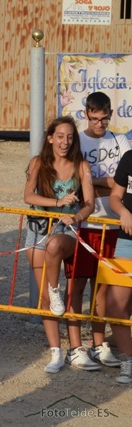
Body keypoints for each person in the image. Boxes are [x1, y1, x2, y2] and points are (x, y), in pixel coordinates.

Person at [23, 116, 94, 374]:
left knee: (55, 249)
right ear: (50, 138)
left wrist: (75, 215)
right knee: (44, 298)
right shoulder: (38, 163)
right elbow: (28, 195)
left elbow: (89, 203)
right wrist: (58, 203)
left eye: (70, 137)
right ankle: (56, 352)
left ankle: (56, 290)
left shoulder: (81, 166)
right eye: (60, 136)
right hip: (37, 229)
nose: (65, 142)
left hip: (67, 230)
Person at [64, 92, 130, 369]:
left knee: (103, 289)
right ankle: (75, 346)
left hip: (113, 223)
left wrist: (97, 183)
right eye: (94, 119)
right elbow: (75, 182)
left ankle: (99, 344)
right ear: (86, 115)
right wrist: (106, 184)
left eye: (104, 119)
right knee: (76, 284)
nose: (100, 124)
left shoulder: (121, 141)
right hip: (84, 222)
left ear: (110, 114)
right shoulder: (76, 140)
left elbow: (120, 184)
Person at [108, 148, 132, 384]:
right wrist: (123, 211)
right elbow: (115, 196)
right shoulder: (129, 158)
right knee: (116, 306)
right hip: (128, 243)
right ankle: (128, 360)